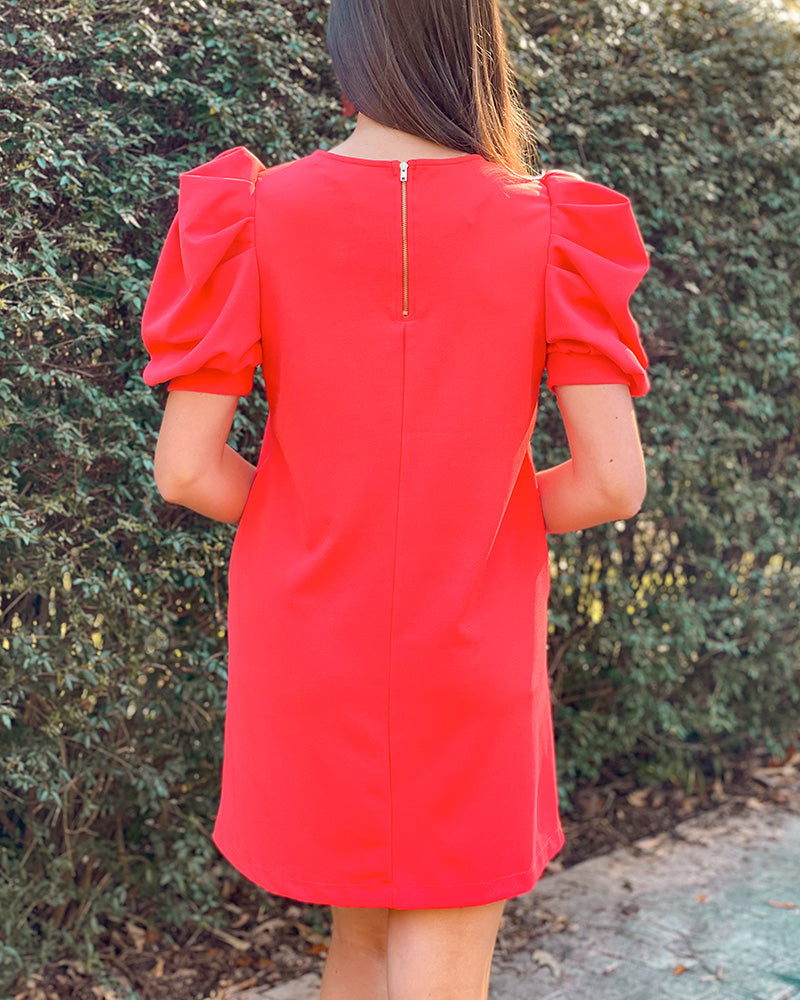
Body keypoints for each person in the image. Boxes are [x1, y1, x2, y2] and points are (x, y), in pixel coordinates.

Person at [139, 1, 650, 997]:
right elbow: (609, 480)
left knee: (362, 944)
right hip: (469, 643)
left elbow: (188, 470)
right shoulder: (554, 223)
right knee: (444, 958)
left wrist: (315, 515)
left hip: (309, 640)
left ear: (350, 47)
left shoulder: (250, 213)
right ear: (474, 48)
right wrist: (481, 517)